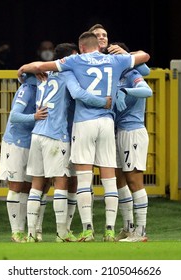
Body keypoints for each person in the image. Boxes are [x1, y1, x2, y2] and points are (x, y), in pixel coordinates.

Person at [18, 31, 150, 242]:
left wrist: (24, 68)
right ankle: (109, 230)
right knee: (109, 178)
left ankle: (88, 230)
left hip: (83, 123)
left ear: (80, 48)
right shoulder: (114, 60)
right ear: (97, 46)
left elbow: (43, 67)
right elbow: (145, 57)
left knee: (84, 179)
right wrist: (126, 54)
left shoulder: (75, 60)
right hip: (107, 123)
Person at [25, 42, 111, 242]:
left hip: (37, 133)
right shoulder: (68, 74)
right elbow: (78, 94)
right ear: (71, 57)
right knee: (61, 182)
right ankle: (61, 233)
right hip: (56, 135)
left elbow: (25, 73)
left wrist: (22, 70)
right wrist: (103, 102)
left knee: (37, 184)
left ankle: (31, 233)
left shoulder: (44, 75)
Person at [109, 42, 153, 242]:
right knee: (120, 180)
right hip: (118, 131)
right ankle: (128, 228)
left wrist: (126, 92)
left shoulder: (131, 73)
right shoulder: (113, 76)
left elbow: (147, 91)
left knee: (134, 180)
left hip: (132, 131)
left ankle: (141, 232)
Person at [0, 74, 47, 243]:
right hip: (16, 142)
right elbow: (14, 116)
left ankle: (34, 230)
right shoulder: (27, 89)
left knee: (31, 187)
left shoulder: (43, 89)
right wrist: (34, 117)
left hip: (34, 141)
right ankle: (16, 231)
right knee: (16, 186)